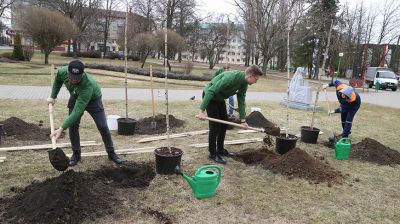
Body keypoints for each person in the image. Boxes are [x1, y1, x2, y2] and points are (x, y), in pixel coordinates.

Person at [48, 60, 122, 166]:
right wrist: (53, 96)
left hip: (93, 100)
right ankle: (76, 154)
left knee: (103, 127)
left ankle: (111, 153)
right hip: (75, 96)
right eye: (71, 77)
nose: (73, 81)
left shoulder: (88, 85)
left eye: (76, 78)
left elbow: (77, 111)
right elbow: (58, 81)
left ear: (82, 74)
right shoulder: (62, 71)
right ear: (67, 72)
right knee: (73, 126)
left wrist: (61, 128)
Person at [197, 64, 263, 164]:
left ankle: (220, 150)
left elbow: (241, 101)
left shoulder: (244, 84)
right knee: (215, 127)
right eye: (256, 79)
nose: (256, 82)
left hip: (219, 98)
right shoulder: (231, 78)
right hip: (210, 97)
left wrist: (243, 120)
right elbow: (211, 91)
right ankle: (212, 153)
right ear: (250, 75)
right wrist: (201, 111)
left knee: (224, 124)